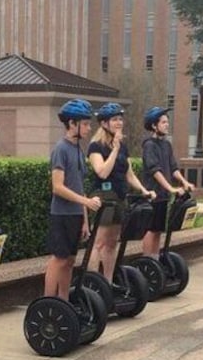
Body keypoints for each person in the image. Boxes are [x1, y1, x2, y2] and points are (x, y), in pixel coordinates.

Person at [87, 102, 155, 281]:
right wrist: (115, 149)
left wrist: (144, 190)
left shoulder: (123, 147)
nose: (119, 123)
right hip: (104, 196)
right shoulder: (95, 146)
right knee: (99, 243)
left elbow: (130, 175)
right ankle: (94, 284)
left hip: (119, 196)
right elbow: (102, 172)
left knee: (112, 242)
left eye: (120, 119)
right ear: (104, 124)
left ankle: (107, 283)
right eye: (115, 120)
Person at [44, 99, 102, 299]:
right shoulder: (61, 149)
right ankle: (48, 301)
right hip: (61, 214)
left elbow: (79, 186)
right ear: (71, 124)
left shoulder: (78, 149)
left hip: (76, 214)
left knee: (70, 260)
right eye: (85, 124)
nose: (88, 127)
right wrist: (85, 202)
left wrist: (84, 219)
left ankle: (63, 300)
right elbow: (58, 187)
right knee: (58, 260)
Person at [140, 106, 194, 257]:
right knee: (150, 230)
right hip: (153, 194)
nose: (167, 125)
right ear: (153, 125)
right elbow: (154, 170)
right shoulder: (149, 145)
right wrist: (170, 188)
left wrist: (184, 182)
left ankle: (155, 260)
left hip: (163, 195)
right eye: (163, 122)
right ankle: (147, 261)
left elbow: (173, 168)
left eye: (167, 122)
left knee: (158, 230)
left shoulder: (166, 145)